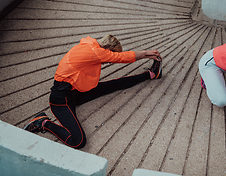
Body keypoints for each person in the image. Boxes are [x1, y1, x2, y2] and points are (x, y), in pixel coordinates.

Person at [23, 35, 162, 149]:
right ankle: (43, 123)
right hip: (61, 100)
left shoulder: (89, 46)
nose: (106, 62)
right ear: (107, 49)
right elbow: (121, 58)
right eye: (107, 58)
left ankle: (151, 74)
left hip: (76, 91)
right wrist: (145, 54)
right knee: (78, 141)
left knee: (113, 85)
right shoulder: (95, 52)